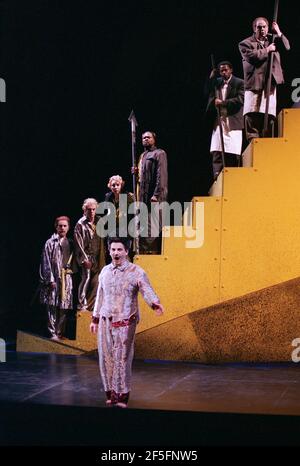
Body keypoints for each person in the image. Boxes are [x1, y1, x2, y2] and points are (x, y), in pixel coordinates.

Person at [90, 237, 164, 408]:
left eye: (119, 250)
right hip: (105, 319)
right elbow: (100, 296)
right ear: (109, 251)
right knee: (105, 357)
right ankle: (110, 393)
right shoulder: (105, 271)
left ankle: (122, 395)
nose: (116, 253)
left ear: (126, 251)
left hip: (125, 320)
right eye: (113, 249)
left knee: (122, 359)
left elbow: (146, 288)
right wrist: (95, 318)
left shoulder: (136, 271)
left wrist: (154, 303)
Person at [239, 17, 290, 141]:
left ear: (268, 28)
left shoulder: (273, 40)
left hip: (269, 83)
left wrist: (279, 32)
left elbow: (287, 47)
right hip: (255, 83)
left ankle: (267, 142)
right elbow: (251, 57)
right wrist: (267, 50)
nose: (262, 29)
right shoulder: (246, 43)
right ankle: (254, 140)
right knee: (253, 112)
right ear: (254, 28)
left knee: (268, 114)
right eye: (259, 27)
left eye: (264, 27)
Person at [206, 61, 244, 180]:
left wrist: (223, 103)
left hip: (233, 120)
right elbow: (206, 91)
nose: (223, 73)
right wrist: (211, 78)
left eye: (226, 70)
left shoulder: (239, 82)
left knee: (233, 149)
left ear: (231, 70)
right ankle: (217, 176)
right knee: (217, 148)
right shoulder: (217, 83)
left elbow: (240, 99)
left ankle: (234, 176)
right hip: (219, 120)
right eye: (221, 71)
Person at [39, 216, 74, 340]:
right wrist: (50, 279)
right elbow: (46, 262)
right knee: (52, 305)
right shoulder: (50, 242)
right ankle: (52, 332)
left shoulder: (70, 242)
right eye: (60, 226)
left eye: (65, 226)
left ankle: (60, 332)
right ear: (56, 227)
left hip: (66, 278)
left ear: (68, 227)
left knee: (64, 305)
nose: (62, 228)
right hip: (53, 277)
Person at [135, 131, 168, 254]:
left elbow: (161, 175)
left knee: (152, 230)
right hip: (143, 200)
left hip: (154, 199)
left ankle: (152, 256)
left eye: (148, 137)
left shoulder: (159, 153)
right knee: (143, 230)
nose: (145, 139)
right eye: (143, 138)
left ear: (154, 139)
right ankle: (144, 257)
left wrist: (156, 195)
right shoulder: (142, 156)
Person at [74, 198, 105, 311]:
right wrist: (84, 259)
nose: (91, 212)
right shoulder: (80, 224)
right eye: (89, 209)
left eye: (93, 209)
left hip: (97, 257)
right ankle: (81, 304)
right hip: (86, 256)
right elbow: (79, 244)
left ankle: (92, 306)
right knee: (85, 279)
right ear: (84, 210)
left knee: (96, 281)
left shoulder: (99, 221)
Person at [103, 175, 135, 262]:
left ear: (121, 185)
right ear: (110, 186)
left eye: (118, 185)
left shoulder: (128, 197)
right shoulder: (108, 197)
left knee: (125, 253)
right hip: (112, 229)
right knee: (113, 254)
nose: (115, 187)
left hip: (125, 229)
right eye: (113, 185)